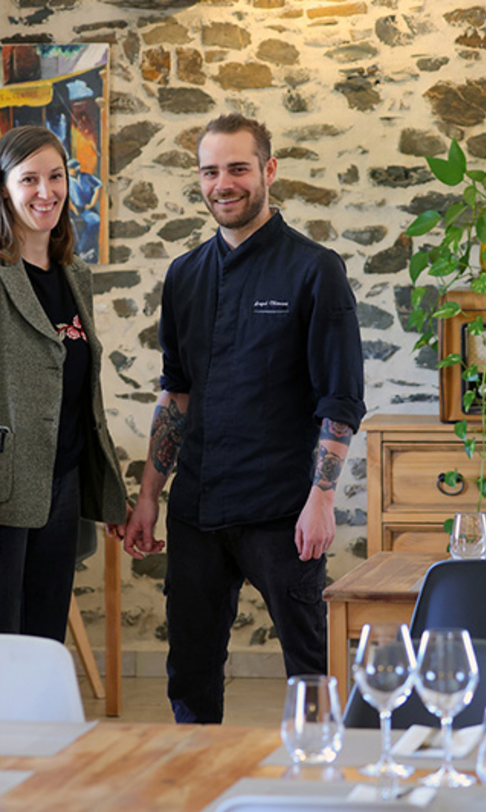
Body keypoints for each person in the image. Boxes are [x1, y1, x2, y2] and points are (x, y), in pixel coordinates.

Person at [124, 113, 366, 724]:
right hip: (198, 506)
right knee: (190, 673)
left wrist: (321, 499)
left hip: (283, 509)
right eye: (210, 171)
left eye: (237, 168)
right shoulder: (182, 276)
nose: (223, 183)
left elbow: (340, 400)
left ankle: (317, 786)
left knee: (309, 667)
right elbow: (175, 394)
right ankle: (199, 796)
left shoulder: (315, 270)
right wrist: (150, 495)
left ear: (268, 171)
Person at [0, 125, 127, 642]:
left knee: (41, 648)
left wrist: (105, 492)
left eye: (56, 176)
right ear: (3, 188)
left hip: (58, 489)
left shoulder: (72, 273)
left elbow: (81, 394)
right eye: (29, 179)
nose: (47, 192)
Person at [67, 158, 102, 262]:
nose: (70, 171)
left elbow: (98, 186)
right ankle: (77, 252)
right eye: (68, 169)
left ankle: (83, 249)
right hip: (72, 209)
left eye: (71, 168)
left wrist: (92, 203)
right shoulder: (66, 180)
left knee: (95, 221)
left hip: (85, 209)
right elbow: (66, 197)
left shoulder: (85, 177)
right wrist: (73, 208)